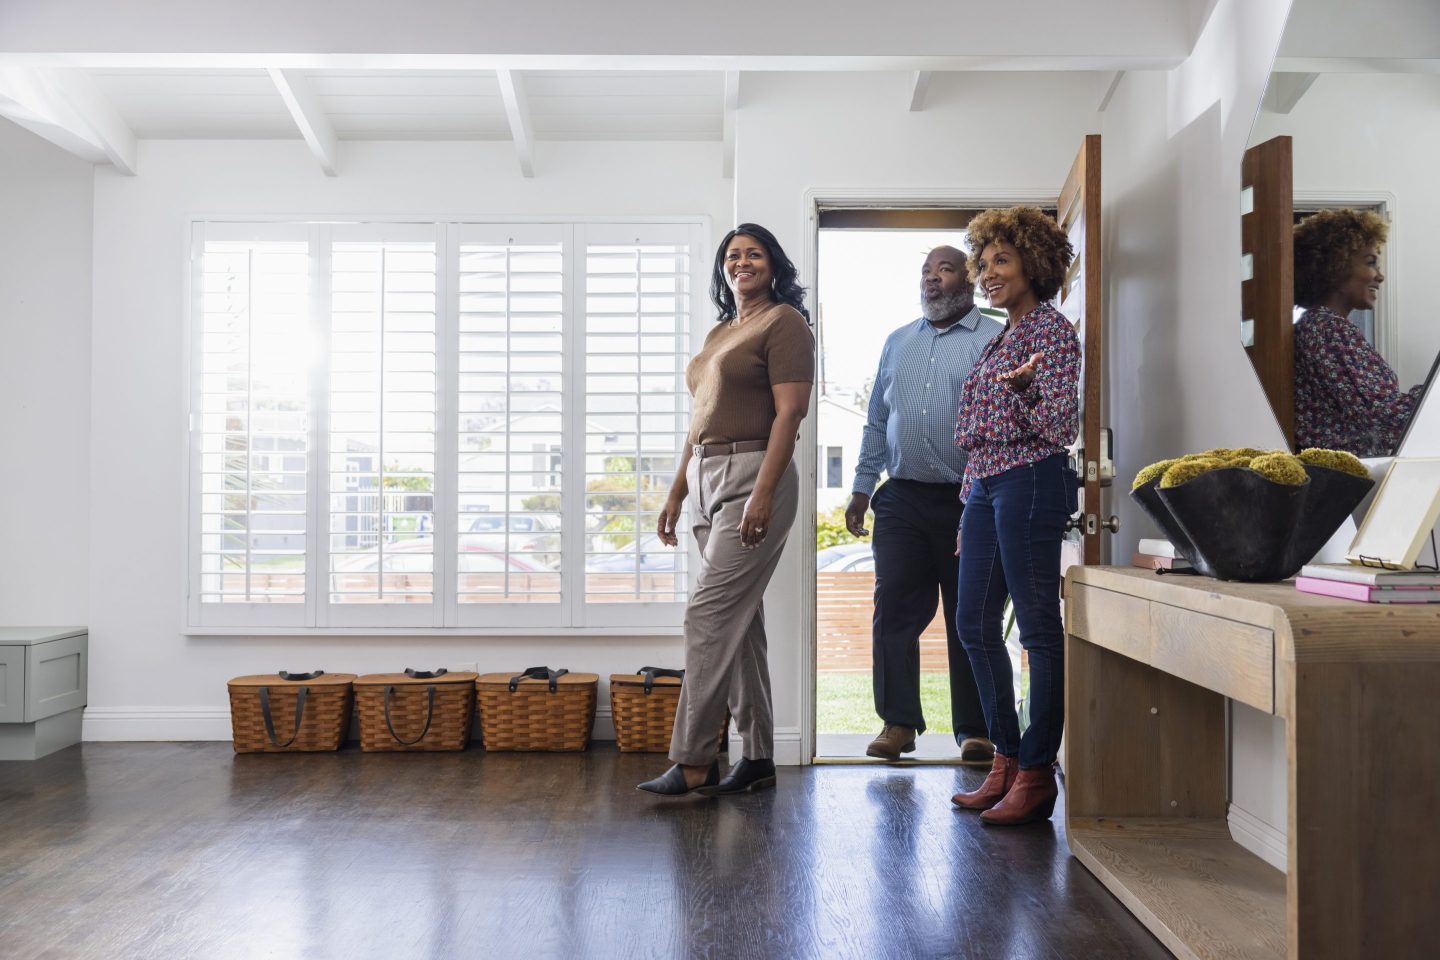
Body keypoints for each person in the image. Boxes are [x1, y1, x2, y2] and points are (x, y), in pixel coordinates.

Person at [638, 223, 815, 798]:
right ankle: (759, 754)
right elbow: (700, 417)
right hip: (707, 475)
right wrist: (676, 488)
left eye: (754, 254)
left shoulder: (784, 322)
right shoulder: (722, 331)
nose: (742, 262)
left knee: (706, 617)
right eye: (733, 256)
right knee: (738, 624)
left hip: (753, 472)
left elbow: (790, 414)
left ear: (773, 264)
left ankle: (693, 761)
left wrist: (763, 493)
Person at [950, 206, 1080, 826]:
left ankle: (1035, 773)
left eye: (1002, 259)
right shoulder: (1003, 337)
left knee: (1036, 630)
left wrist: (1028, 391)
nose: (988, 272)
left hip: (1031, 479)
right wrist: (966, 506)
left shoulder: (1053, 333)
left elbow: (1058, 427)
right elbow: (980, 436)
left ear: (1036, 262)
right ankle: (1003, 759)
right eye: (984, 261)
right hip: (986, 485)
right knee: (973, 624)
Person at [847, 246, 1002, 763]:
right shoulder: (897, 342)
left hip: (971, 499)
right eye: (926, 271)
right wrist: (862, 488)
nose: (932, 278)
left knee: (970, 615)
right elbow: (875, 420)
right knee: (894, 608)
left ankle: (976, 729)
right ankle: (898, 722)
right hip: (903, 499)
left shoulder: (995, 338)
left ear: (969, 280)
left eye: (945, 269)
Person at [1293, 208, 1422, 457]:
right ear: (1335, 265)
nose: (1380, 276)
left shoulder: (1320, 327)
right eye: (1371, 262)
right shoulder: (1328, 329)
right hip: (1347, 486)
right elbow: (1387, 418)